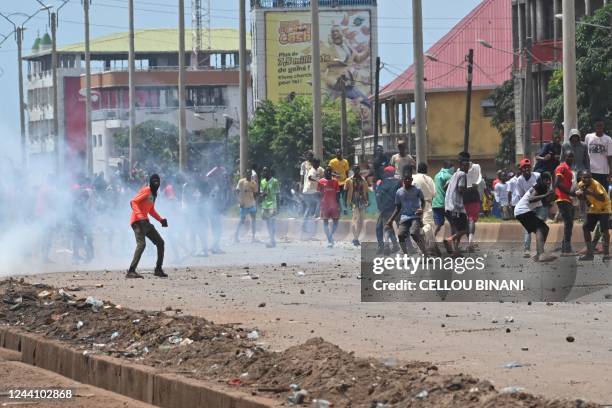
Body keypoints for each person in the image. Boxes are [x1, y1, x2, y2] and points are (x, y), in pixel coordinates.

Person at [127, 174, 168, 279]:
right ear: (150, 182)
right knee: (141, 244)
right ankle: (131, 271)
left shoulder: (154, 194)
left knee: (160, 242)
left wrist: (161, 220)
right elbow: (133, 202)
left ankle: (158, 269)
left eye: (158, 181)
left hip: (145, 222)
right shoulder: (146, 190)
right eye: (154, 181)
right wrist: (140, 216)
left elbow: (151, 210)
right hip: (137, 222)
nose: (156, 183)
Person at [514, 172, 556, 262]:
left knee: (545, 228)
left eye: (549, 180)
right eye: (546, 180)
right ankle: (541, 254)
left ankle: (538, 254)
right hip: (522, 210)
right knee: (540, 229)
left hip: (524, 211)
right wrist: (545, 195)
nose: (548, 182)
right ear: (542, 180)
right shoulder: (538, 186)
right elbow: (531, 198)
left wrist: (551, 196)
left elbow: (545, 202)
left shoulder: (545, 189)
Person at [386, 173, 427, 256]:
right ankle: (406, 254)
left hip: (415, 216)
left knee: (414, 233)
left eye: (409, 179)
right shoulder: (399, 192)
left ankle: (424, 253)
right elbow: (398, 208)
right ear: (403, 180)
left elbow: (423, 201)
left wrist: (421, 209)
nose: (407, 180)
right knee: (400, 235)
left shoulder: (417, 190)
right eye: (406, 179)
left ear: (412, 180)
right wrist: (390, 220)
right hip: (404, 217)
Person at [575, 170, 610, 261]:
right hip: (594, 208)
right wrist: (580, 196)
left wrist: (589, 193)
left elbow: (602, 198)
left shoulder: (595, 184)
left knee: (604, 229)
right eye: (585, 177)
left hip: (604, 208)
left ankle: (606, 253)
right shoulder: (580, 185)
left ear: (591, 177)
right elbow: (585, 198)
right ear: (581, 178)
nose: (587, 179)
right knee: (585, 227)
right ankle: (589, 253)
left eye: (589, 177)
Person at [512, 159, 541, 257]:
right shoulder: (519, 180)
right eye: (524, 167)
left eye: (528, 167)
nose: (527, 169)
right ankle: (527, 249)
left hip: (539, 205)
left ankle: (540, 250)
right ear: (521, 169)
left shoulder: (537, 176)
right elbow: (520, 195)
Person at [443, 153, 470, 255]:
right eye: (466, 165)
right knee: (464, 229)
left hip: (449, 205)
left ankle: (455, 251)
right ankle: (449, 239)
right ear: (462, 165)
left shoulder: (454, 174)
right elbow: (460, 188)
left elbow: (445, 187)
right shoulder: (462, 174)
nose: (468, 167)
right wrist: (468, 190)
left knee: (457, 229)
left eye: (468, 165)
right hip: (457, 206)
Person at [412, 162, 438, 254]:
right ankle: (431, 247)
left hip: (413, 205)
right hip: (426, 204)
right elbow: (434, 193)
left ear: (418, 169)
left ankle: (421, 248)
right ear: (426, 170)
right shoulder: (428, 179)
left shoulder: (412, 177)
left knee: (415, 225)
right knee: (428, 225)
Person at [375, 166, 401, 254]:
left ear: (387, 173)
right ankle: (395, 245)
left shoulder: (381, 183)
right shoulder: (398, 182)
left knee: (380, 228)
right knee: (389, 228)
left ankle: (383, 246)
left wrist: (380, 208)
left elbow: (378, 196)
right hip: (397, 209)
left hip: (385, 209)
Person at [555, 150, 576, 255]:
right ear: (564, 157)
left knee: (569, 223)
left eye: (572, 157)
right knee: (568, 223)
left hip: (567, 198)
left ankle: (565, 247)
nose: (571, 159)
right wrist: (570, 192)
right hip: (562, 197)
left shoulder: (569, 169)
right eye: (569, 156)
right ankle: (566, 249)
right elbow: (557, 183)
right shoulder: (561, 167)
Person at [584, 119, 612, 191]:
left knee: (603, 193)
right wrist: (585, 169)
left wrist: (610, 172)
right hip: (591, 170)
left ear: (603, 126)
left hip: (604, 171)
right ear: (594, 126)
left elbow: (609, 157)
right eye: (597, 125)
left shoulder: (608, 139)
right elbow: (585, 154)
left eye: (600, 125)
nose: (599, 127)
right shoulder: (588, 137)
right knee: (591, 192)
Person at [345, 164, 369, 246]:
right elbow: (345, 191)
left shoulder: (363, 180)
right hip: (353, 201)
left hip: (362, 200)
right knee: (355, 218)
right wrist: (347, 202)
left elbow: (366, 191)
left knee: (361, 220)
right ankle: (355, 238)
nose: (356, 170)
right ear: (353, 170)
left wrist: (367, 201)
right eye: (355, 169)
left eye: (357, 169)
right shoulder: (348, 180)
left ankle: (356, 238)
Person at [464, 155, 483, 252]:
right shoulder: (477, 166)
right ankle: (470, 241)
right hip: (473, 195)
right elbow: (479, 178)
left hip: (464, 195)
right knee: (471, 219)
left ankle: (470, 242)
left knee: (468, 220)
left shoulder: (460, 168)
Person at [318, 167, 341, 248]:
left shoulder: (335, 181)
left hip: (334, 205)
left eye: (329, 171)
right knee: (325, 223)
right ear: (324, 173)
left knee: (336, 222)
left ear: (331, 173)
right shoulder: (321, 181)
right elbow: (319, 194)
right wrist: (320, 204)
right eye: (326, 171)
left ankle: (330, 236)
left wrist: (339, 205)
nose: (328, 172)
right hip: (325, 205)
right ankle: (329, 240)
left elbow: (338, 194)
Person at [234, 170, 259, 243]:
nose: (249, 174)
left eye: (250, 173)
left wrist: (256, 203)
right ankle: (236, 236)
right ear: (245, 174)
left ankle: (253, 237)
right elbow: (236, 191)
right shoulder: (241, 181)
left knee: (253, 220)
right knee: (241, 221)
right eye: (247, 173)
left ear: (251, 174)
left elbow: (255, 194)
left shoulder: (253, 183)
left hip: (252, 205)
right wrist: (239, 201)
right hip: (244, 205)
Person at [432, 161, 453, 241]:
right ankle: (452, 242)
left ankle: (430, 241)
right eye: (452, 167)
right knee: (453, 223)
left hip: (436, 203)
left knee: (438, 225)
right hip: (445, 203)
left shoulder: (436, 175)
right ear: (449, 167)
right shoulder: (449, 176)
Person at [260, 167, 280, 248]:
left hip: (273, 204)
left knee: (271, 222)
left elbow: (278, 194)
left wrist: (278, 207)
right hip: (265, 205)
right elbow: (261, 194)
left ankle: (272, 240)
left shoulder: (275, 181)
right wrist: (262, 195)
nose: (264, 173)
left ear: (269, 172)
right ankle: (272, 239)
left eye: (266, 171)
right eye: (263, 171)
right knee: (268, 223)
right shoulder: (262, 181)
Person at [302, 158, 324, 232]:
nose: (318, 165)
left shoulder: (318, 169)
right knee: (319, 201)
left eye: (318, 163)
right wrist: (318, 180)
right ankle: (315, 216)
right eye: (316, 163)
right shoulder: (312, 170)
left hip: (311, 191)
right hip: (309, 191)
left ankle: (305, 224)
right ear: (313, 163)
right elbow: (310, 177)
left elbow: (326, 172)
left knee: (311, 207)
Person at [329, 149, 350, 213]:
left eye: (340, 152)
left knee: (344, 197)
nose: (339, 153)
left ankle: (345, 209)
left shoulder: (345, 161)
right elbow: (329, 172)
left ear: (341, 153)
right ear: (335, 153)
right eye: (337, 152)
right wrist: (335, 175)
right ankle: (338, 209)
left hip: (344, 182)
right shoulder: (332, 161)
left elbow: (347, 172)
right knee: (336, 197)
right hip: (335, 183)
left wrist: (348, 180)